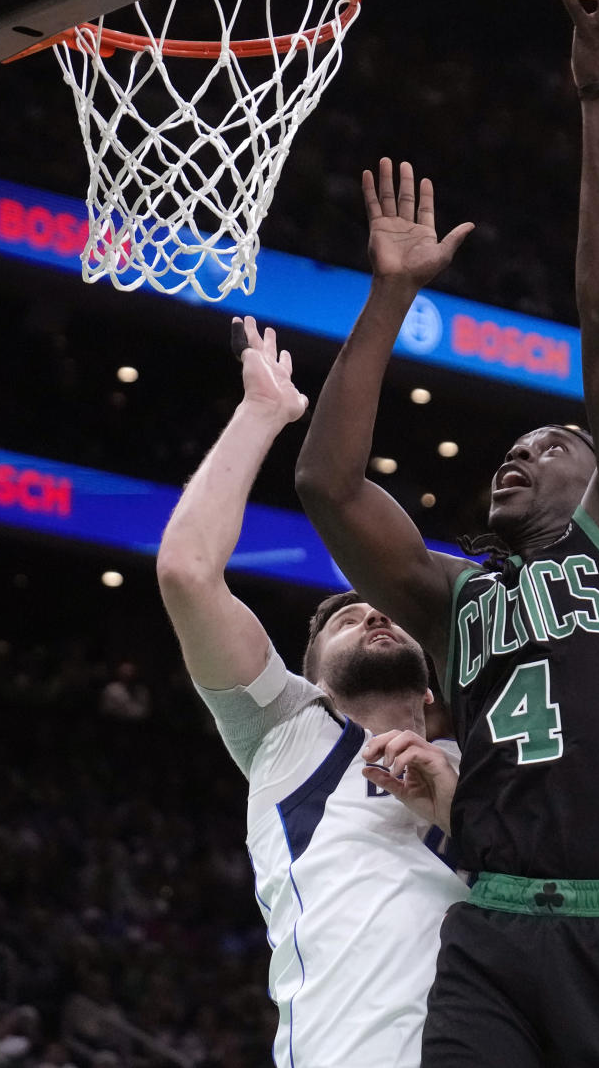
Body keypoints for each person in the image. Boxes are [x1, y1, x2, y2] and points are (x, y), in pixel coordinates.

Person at [295, 0, 599, 1067]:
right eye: (512, 445)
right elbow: (325, 486)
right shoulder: (455, 600)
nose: (519, 453)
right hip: (492, 919)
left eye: (553, 442)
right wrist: (387, 298)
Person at [156, 319, 466, 1068]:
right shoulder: (285, 730)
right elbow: (188, 570)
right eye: (347, 618)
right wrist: (261, 412)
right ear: (312, 674)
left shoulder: (492, 754)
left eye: (383, 611)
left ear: (434, 675)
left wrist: (457, 807)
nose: (372, 611)